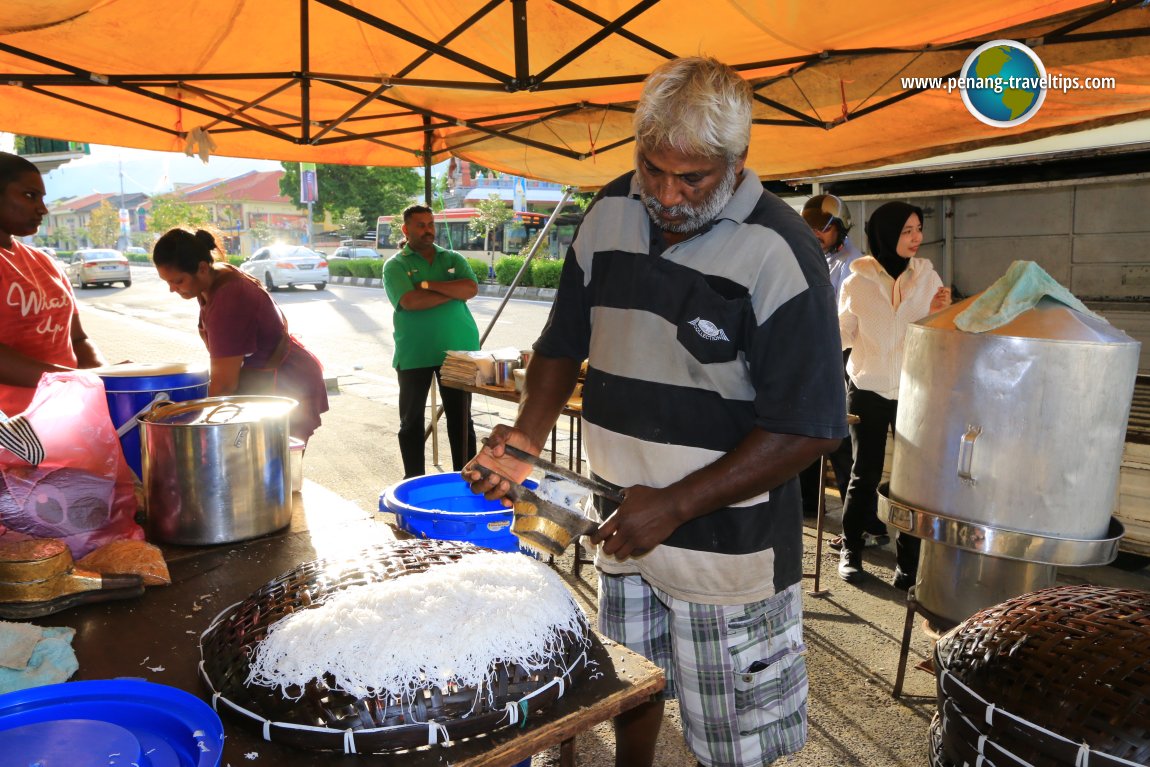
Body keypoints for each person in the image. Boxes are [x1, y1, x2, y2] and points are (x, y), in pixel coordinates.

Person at [465, 57, 846, 767]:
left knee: (730, 741)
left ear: (736, 162)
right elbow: (560, 346)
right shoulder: (608, 213)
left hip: (727, 556)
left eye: (691, 178)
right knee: (632, 689)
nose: (667, 195)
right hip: (623, 527)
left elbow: (811, 425)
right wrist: (524, 438)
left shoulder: (779, 250)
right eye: (652, 168)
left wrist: (674, 504)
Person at [836, 201, 951, 589]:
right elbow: (845, 335)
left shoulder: (929, 279)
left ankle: (908, 563)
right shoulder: (857, 282)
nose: (917, 237)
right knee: (863, 474)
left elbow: (935, 334)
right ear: (886, 234)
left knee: (910, 482)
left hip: (913, 392)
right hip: (867, 388)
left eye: (918, 228)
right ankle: (851, 549)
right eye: (907, 231)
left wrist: (940, 314)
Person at [152, 227, 329, 442]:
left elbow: (224, 385)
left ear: (201, 268)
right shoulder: (210, 280)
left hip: (285, 386)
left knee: (274, 468)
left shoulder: (229, 299)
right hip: (262, 384)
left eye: (178, 281)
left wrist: (203, 432)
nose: (172, 289)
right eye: (167, 282)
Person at [0, 151, 108, 416]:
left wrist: (105, 376)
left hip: (67, 417)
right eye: (29, 195)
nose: (42, 208)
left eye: (42, 198)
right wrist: (72, 380)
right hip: (13, 432)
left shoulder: (45, 262)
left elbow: (78, 338)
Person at [382, 204, 480, 478]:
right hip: (415, 354)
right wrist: (452, 291)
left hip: (458, 352)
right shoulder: (396, 265)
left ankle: (466, 479)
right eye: (420, 225)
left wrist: (428, 285)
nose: (427, 230)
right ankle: (413, 480)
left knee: (461, 421)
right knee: (411, 421)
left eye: (430, 224)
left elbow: (470, 288)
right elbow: (410, 302)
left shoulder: (452, 258)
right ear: (406, 229)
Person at [797, 195, 863, 525]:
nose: (815, 234)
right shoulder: (818, 256)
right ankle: (809, 500)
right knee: (808, 429)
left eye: (822, 229)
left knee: (839, 437)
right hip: (815, 352)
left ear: (839, 227)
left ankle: (858, 517)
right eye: (810, 229)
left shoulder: (853, 262)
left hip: (840, 354)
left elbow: (844, 320)